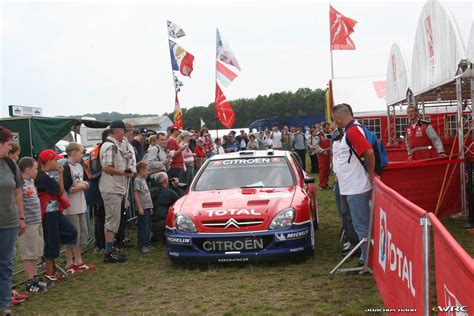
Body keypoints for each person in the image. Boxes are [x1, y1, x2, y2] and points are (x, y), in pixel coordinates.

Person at [332, 103, 375, 265]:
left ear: (339, 118)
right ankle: (366, 256)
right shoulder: (353, 129)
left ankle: (367, 259)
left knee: (361, 225)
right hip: (352, 186)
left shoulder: (353, 131)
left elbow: (368, 152)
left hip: (357, 187)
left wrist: (370, 174)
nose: (336, 124)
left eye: (336, 120)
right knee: (359, 224)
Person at [35, 149, 77, 281]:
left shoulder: (45, 175)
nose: (57, 162)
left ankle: (49, 258)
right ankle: (50, 271)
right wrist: (61, 175)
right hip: (48, 212)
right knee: (52, 241)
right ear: (48, 161)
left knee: (70, 232)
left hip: (53, 211)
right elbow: (59, 191)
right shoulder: (43, 177)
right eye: (55, 160)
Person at [0, 127, 26, 315]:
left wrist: (21, 217)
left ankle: (4, 303)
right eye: (8, 144)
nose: (10, 149)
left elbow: (18, 192)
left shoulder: (10, 164)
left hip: (8, 221)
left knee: (7, 263)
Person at [99, 120, 131, 263]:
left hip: (114, 187)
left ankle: (110, 250)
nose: (123, 135)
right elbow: (106, 167)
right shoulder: (110, 146)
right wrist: (124, 172)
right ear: (118, 131)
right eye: (123, 132)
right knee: (112, 221)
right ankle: (108, 252)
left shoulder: (113, 145)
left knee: (113, 221)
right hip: (111, 188)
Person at [63, 143, 95, 274]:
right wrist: (81, 186)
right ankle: (69, 262)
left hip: (81, 204)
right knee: (71, 235)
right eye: (81, 153)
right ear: (74, 153)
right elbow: (70, 187)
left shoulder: (80, 166)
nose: (82, 155)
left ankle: (79, 260)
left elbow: (86, 182)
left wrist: (82, 185)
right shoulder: (66, 167)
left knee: (81, 234)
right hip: (70, 206)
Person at [17, 157, 48, 293]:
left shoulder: (30, 182)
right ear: (28, 169)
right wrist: (21, 219)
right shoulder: (21, 183)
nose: (37, 171)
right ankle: (30, 281)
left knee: (35, 251)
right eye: (35, 168)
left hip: (36, 221)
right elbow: (19, 202)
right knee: (29, 253)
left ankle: (35, 277)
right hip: (28, 223)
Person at [330, 122, 359, 257]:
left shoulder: (348, 136)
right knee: (343, 213)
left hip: (347, 181)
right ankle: (349, 237)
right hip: (339, 179)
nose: (332, 130)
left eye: (334, 127)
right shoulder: (336, 141)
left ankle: (355, 242)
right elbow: (336, 160)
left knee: (348, 213)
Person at [84, 129, 109, 254]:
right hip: (97, 187)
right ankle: (101, 245)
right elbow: (96, 172)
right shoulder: (99, 150)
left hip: (98, 186)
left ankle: (100, 244)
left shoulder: (98, 149)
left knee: (101, 217)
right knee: (101, 218)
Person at [150, 172, 181, 242]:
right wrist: (176, 188)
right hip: (162, 222)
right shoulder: (170, 193)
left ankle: (156, 235)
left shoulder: (151, 191)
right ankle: (164, 235)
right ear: (165, 181)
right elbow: (180, 202)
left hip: (149, 223)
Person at [133, 161, 153, 254]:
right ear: (141, 170)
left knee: (148, 226)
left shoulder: (143, 180)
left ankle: (147, 243)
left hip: (147, 207)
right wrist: (140, 207)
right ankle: (142, 245)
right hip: (142, 208)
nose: (148, 173)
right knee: (143, 226)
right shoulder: (137, 180)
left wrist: (150, 207)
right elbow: (136, 194)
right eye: (147, 171)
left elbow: (147, 194)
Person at [315, 122, 331, 189]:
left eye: (328, 128)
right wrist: (322, 151)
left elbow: (330, 143)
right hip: (322, 154)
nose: (328, 129)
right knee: (322, 169)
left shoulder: (328, 134)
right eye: (327, 128)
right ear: (323, 127)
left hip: (328, 152)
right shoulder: (318, 135)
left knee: (327, 169)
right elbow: (316, 145)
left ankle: (326, 183)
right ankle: (322, 184)